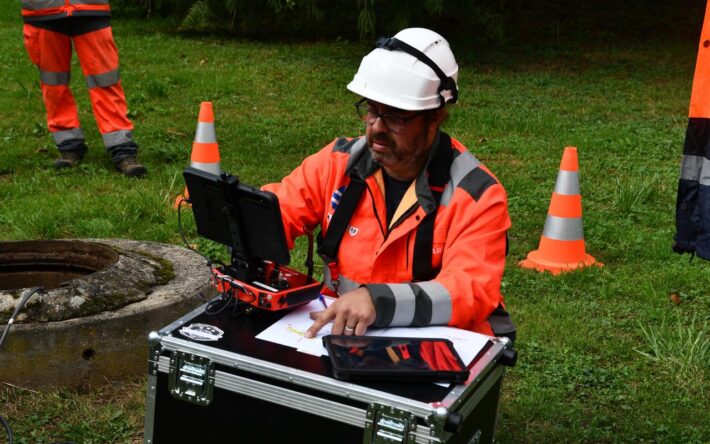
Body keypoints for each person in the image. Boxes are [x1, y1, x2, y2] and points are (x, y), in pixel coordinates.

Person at [263, 28, 514, 340]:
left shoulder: (477, 195)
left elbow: (468, 289)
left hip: (435, 350)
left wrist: (377, 301)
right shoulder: (338, 164)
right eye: (371, 111)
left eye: (396, 117)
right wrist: (245, 222)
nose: (377, 128)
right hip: (342, 335)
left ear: (435, 118)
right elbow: (279, 210)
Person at [21, 0, 147, 177]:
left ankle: (123, 150)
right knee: (54, 85)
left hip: (90, 7)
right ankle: (68, 146)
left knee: (105, 81)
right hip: (42, 11)